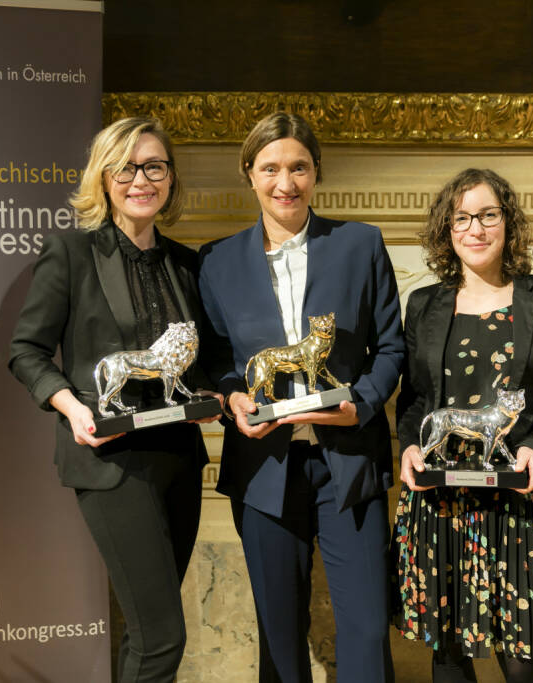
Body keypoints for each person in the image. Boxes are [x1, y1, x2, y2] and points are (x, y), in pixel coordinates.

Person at [9, 117, 220, 683]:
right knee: (163, 640)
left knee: (148, 635)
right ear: (104, 178)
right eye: (125, 167)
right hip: (111, 462)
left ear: (170, 178)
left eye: (154, 166)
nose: (141, 179)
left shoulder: (187, 264)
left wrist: (229, 391)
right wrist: (74, 408)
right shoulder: (71, 253)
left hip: (179, 457)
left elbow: (208, 359)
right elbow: (26, 351)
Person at [198, 112, 402, 683]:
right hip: (264, 467)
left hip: (350, 463)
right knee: (280, 636)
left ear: (317, 173)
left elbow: (391, 348)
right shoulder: (215, 261)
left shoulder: (360, 243)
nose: (284, 182)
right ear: (249, 174)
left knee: (365, 630)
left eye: (298, 168)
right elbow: (216, 359)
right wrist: (235, 396)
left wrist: (359, 404)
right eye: (270, 168)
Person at [393, 168, 533, 683]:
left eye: (487, 215)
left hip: (515, 492)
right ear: (446, 228)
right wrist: (411, 448)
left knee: (522, 663)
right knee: (449, 658)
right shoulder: (424, 305)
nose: (475, 228)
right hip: (439, 498)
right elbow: (414, 399)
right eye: (462, 217)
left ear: (507, 222)